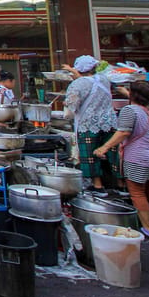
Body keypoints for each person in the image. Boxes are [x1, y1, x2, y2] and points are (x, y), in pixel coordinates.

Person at [94, 81, 149, 238]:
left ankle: (148, 228)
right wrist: (125, 91)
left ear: (134, 95)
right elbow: (140, 99)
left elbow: (123, 132)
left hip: (138, 157)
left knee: (137, 192)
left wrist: (104, 147)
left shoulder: (129, 110)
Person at [63, 54, 118, 195]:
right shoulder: (104, 79)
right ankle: (120, 185)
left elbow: (72, 108)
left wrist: (66, 104)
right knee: (112, 154)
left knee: (90, 155)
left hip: (88, 124)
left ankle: (97, 185)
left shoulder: (78, 84)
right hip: (109, 123)